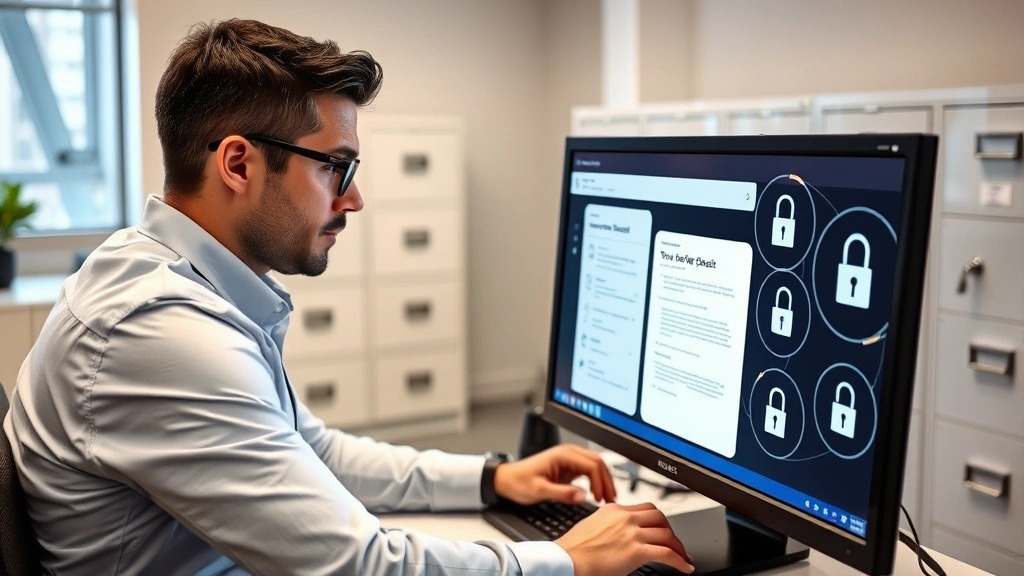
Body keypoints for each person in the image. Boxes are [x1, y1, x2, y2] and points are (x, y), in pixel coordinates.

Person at [2, 19, 694, 576]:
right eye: (336, 166)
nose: (355, 198)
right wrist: (563, 561)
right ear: (238, 163)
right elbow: (351, 564)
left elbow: (313, 452)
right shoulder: (160, 335)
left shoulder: (167, 274)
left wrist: (493, 478)